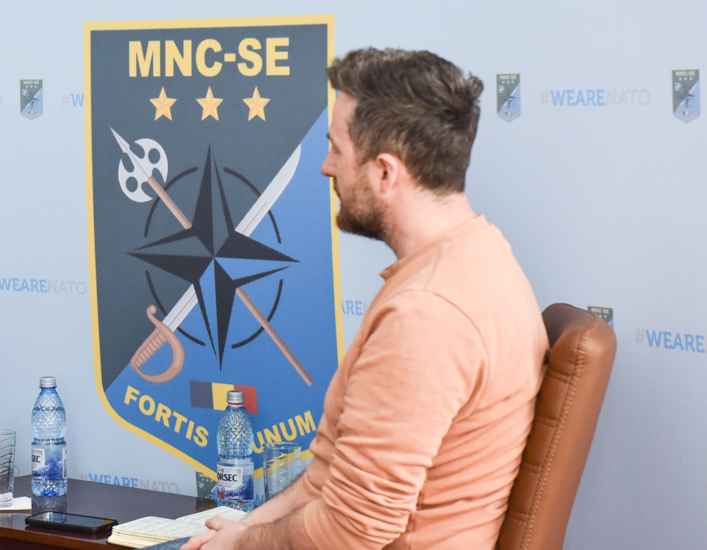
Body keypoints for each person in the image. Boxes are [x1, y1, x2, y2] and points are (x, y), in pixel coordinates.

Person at [183, 48, 548, 550]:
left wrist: (241, 547)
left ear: (385, 173)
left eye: (337, 149)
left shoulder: (427, 313)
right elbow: (326, 480)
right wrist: (239, 532)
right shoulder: (478, 257)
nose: (326, 167)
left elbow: (352, 530)